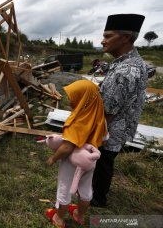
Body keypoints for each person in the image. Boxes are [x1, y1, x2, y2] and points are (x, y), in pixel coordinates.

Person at [91, 14, 148, 207]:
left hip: (111, 129)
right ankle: (96, 193)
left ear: (125, 37)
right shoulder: (127, 62)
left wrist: (90, 133)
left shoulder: (126, 70)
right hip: (118, 126)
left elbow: (108, 112)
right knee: (103, 163)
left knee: (102, 163)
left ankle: (97, 198)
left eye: (108, 36)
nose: (103, 40)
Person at [45, 79, 108, 227]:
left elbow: (67, 147)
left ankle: (59, 218)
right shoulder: (100, 117)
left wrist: (53, 158)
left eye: (73, 97)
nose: (69, 100)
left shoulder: (79, 121)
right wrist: (89, 146)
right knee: (85, 189)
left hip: (71, 163)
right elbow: (104, 141)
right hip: (90, 161)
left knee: (64, 190)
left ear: (83, 99)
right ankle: (79, 215)